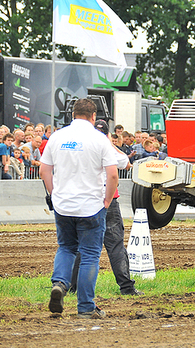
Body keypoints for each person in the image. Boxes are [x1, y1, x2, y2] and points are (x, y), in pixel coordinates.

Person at [40, 98, 118, 319]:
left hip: (63, 205)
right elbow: (113, 174)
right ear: (94, 117)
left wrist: (54, 194)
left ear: (73, 114)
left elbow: (44, 171)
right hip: (91, 206)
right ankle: (85, 306)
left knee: (66, 247)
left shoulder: (57, 137)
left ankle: (60, 284)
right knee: (90, 255)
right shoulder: (99, 139)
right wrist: (107, 200)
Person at [69, 120, 143, 297]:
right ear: (108, 134)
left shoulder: (80, 146)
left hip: (86, 200)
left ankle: (72, 287)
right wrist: (110, 144)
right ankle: (126, 287)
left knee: (82, 245)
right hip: (108, 201)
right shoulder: (107, 147)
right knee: (116, 245)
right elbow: (125, 162)